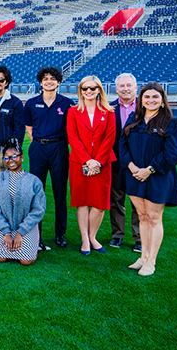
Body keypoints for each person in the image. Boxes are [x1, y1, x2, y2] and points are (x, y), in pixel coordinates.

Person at [120, 82, 177, 276]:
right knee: (142, 216)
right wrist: (132, 167)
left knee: (154, 218)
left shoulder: (172, 122)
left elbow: (173, 154)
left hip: (158, 176)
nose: (151, 100)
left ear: (162, 100)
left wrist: (149, 170)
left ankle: (151, 261)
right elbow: (122, 147)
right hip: (133, 175)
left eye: (155, 97)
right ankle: (143, 256)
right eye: (147, 97)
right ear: (141, 100)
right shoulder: (134, 119)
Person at [23, 66, 74, 250]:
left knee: (60, 192)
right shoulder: (31, 103)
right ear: (40, 82)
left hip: (59, 148)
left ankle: (60, 234)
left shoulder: (67, 103)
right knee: (37, 192)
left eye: (53, 78)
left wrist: (54, 142)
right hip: (38, 148)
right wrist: (40, 142)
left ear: (59, 81)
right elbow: (29, 128)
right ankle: (37, 235)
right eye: (45, 79)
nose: (49, 81)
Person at [68, 76, 116, 255]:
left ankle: (92, 236)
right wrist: (87, 160)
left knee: (99, 202)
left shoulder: (109, 112)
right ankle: (84, 239)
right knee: (82, 200)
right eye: (85, 88)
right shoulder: (73, 111)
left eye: (93, 88)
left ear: (99, 91)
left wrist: (97, 161)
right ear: (80, 91)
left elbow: (110, 137)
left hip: (102, 163)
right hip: (79, 162)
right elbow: (73, 137)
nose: (89, 91)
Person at [0, 138, 46, 266]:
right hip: (5, 227)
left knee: (25, 261)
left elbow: (38, 209)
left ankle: (32, 242)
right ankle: (7, 236)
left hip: (26, 227)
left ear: (22, 157)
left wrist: (21, 232)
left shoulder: (34, 181)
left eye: (14, 157)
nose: (10, 161)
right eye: (6, 158)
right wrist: (6, 232)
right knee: (1, 258)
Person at [109, 73, 141, 252]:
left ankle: (139, 238)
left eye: (129, 85)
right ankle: (117, 235)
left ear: (136, 87)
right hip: (115, 162)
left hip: (138, 164)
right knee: (116, 200)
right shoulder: (109, 108)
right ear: (116, 89)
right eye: (122, 86)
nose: (126, 89)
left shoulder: (145, 107)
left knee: (138, 203)